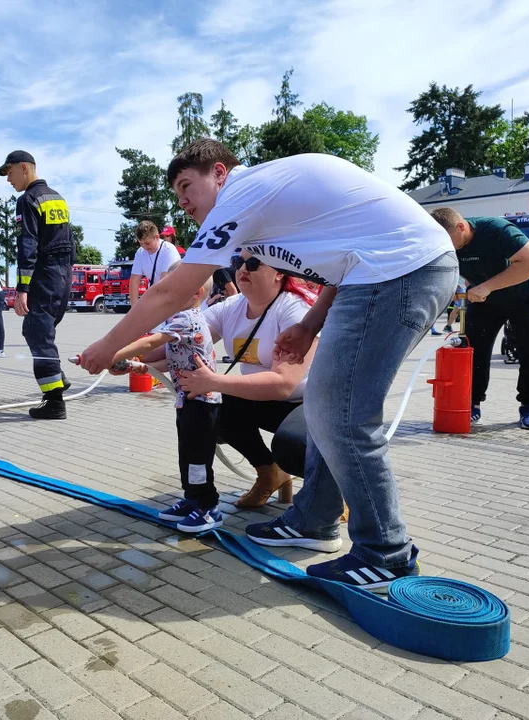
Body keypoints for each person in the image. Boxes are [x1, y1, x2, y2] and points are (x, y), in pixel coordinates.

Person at [79, 139, 457, 591]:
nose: (182, 202)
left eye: (186, 186)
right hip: (375, 273)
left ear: (219, 172)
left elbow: (171, 292)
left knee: (345, 417)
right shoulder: (265, 211)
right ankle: (314, 520)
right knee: (325, 407)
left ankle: (386, 552)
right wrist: (312, 323)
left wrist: (107, 344)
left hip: (401, 271)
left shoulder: (242, 193)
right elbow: (341, 264)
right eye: (176, 195)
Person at [176, 250, 317, 507]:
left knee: (292, 445)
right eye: (237, 262)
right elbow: (182, 342)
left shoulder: (295, 309)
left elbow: (284, 384)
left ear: (279, 273)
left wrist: (213, 381)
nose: (242, 269)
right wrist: (129, 357)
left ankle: (332, 490)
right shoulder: (231, 307)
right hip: (265, 399)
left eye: (253, 263)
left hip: (311, 404)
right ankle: (269, 473)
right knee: (209, 405)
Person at [113, 263, 222, 532]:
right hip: (188, 401)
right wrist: (139, 366)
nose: (165, 295)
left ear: (196, 292)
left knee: (197, 457)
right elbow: (170, 360)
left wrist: (113, 351)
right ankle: (191, 498)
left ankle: (208, 506)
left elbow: (151, 342)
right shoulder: (182, 318)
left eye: (172, 289)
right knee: (186, 452)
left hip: (202, 402)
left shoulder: (187, 318)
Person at [430, 209, 529, 430]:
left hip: (528, 295)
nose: (445, 247)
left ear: (461, 227)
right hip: (484, 298)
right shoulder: (446, 241)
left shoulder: (498, 230)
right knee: (474, 350)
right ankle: (472, 404)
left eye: (448, 240)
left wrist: (486, 286)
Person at [0, 150, 75, 419]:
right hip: (63, 275)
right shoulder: (57, 198)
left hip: (43, 275)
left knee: (37, 333)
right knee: (43, 332)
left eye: (9, 172)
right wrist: (66, 274)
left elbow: (27, 245)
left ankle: (55, 402)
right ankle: (57, 380)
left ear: (24, 168)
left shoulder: (27, 199)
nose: (8, 180)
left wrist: (22, 289)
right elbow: (70, 241)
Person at [130, 221, 182, 308]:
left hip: (174, 297)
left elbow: (164, 281)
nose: (144, 247)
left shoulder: (169, 250)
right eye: (141, 243)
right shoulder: (140, 252)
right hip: (156, 295)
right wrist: (134, 308)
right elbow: (134, 280)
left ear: (157, 237)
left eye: (147, 243)